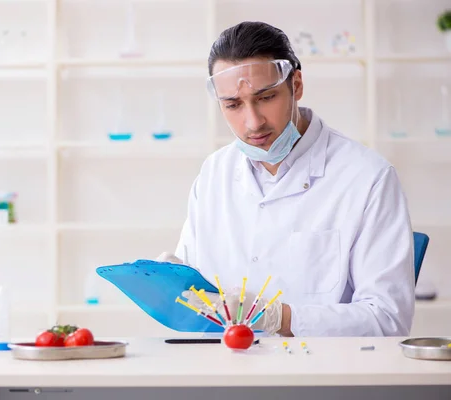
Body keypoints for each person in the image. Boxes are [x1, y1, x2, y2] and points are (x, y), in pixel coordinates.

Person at [157, 21, 415, 337]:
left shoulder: (367, 178)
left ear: (297, 84)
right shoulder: (214, 174)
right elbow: (198, 299)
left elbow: (388, 319)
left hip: (323, 375)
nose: (252, 122)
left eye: (266, 97)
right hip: (225, 370)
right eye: (233, 104)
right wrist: (172, 282)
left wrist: (281, 319)